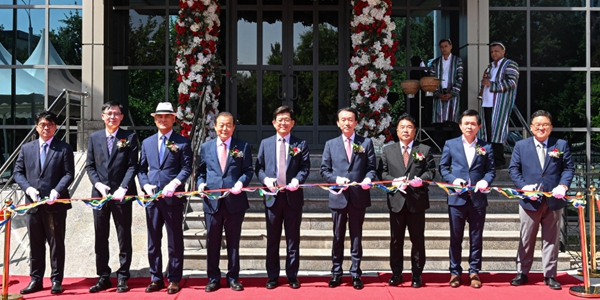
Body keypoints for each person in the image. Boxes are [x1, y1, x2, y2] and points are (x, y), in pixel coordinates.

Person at [508, 110, 574, 290]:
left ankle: (550, 275)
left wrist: (563, 186)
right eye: (537, 125)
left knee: (551, 240)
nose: (541, 128)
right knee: (526, 238)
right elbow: (513, 169)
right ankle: (522, 272)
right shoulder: (521, 145)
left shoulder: (560, 144)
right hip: (530, 201)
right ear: (531, 127)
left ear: (551, 128)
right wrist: (524, 186)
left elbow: (568, 168)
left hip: (553, 201)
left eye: (545, 124)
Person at [14, 111, 75, 295]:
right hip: (33, 205)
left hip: (54, 205)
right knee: (35, 243)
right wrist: (28, 188)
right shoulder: (27, 148)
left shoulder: (63, 148)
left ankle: (56, 280)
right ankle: (36, 279)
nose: (46, 128)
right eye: (42, 124)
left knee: (56, 244)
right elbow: (18, 172)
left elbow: (68, 173)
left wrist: (57, 190)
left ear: (55, 127)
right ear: (36, 126)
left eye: (50, 124)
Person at [137, 102, 193, 294]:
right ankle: (155, 277)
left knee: (175, 240)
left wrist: (175, 183)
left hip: (173, 198)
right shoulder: (147, 142)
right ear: (155, 119)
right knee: (153, 239)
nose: (163, 119)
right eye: (159, 116)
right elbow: (141, 168)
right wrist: (144, 184)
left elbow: (187, 168)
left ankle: (174, 278)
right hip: (152, 199)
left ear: (173, 119)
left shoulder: (183, 142)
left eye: (167, 116)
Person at [377, 113, 436, 288]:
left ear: (415, 130)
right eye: (402, 127)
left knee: (417, 239)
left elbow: (431, 172)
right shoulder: (388, 150)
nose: (405, 130)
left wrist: (421, 180)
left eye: (409, 127)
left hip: (416, 201)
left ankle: (417, 274)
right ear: (397, 130)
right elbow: (382, 173)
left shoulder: (424, 150)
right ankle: (396, 273)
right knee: (396, 239)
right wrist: (392, 181)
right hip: (396, 200)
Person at [196, 112, 253, 292]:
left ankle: (233, 277)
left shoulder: (242, 146)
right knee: (212, 241)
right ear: (215, 126)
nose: (224, 128)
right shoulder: (206, 147)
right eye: (221, 125)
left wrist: (240, 183)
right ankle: (213, 278)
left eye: (228, 125)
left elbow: (248, 170)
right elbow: (201, 171)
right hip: (212, 202)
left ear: (233, 127)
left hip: (234, 201)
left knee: (233, 242)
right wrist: (200, 183)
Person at [320, 107, 376, 290]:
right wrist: (336, 179)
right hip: (339, 196)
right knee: (337, 236)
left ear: (356, 123)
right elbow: (324, 170)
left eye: (350, 119)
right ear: (338, 123)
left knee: (356, 236)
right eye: (343, 120)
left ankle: (355, 273)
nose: (347, 123)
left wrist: (368, 178)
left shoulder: (365, 143)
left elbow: (371, 167)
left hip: (358, 196)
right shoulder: (331, 144)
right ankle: (336, 272)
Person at [85, 101, 138, 293]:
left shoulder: (129, 137)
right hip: (99, 197)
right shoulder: (94, 137)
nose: (112, 117)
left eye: (116, 113)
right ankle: (103, 276)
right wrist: (97, 184)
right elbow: (90, 165)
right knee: (101, 236)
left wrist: (123, 187)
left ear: (122, 117)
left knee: (123, 235)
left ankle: (123, 275)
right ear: (102, 116)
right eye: (109, 113)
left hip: (122, 196)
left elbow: (133, 165)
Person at [439, 109, 495, 289]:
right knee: (455, 237)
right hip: (457, 198)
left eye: (473, 124)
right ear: (460, 126)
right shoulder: (450, 144)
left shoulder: (486, 146)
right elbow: (444, 168)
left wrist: (485, 181)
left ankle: (474, 271)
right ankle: (455, 272)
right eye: (466, 123)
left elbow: (491, 170)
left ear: (479, 126)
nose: (469, 127)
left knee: (476, 237)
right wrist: (454, 180)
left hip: (478, 199)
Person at [255, 106, 310, 289]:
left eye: (287, 120)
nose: (283, 123)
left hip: (292, 198)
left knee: (293, 239)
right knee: (272, 239)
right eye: (280, 120)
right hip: (272, 198)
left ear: (292, 123)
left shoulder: (300, 144)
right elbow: (259, 168)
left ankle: (292, 275)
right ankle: (272, 276)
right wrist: (265, 180)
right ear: (273, 123)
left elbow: (305, 168)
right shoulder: (266, 143)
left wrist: (297, 179)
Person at [479, 41, 520, 169]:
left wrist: (491, 84)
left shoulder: (510, 64)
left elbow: (512, 83)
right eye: (492, 51)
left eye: (496, 51)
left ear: (503, 51)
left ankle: (499, 161)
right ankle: (488, 159)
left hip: (499, 104)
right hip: (487, 103)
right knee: (486, 133)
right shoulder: (490, 66)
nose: (494, 53)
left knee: (496, 132)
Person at [430, 38, 463, 148]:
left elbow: (460, 78)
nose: (444, 49)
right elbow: (432, 79)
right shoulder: (436, 62)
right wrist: (438, 94)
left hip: (452, 95)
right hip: (439, 94)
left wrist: (452, 93)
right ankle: (438, 147)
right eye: (442, 47)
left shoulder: (457, 61)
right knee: (438, 123)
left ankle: (454, 148)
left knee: (454, 122)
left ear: (451, 46)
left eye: (446, 46)